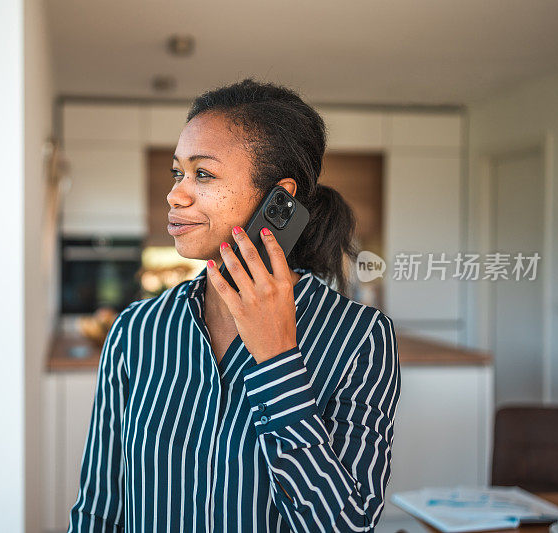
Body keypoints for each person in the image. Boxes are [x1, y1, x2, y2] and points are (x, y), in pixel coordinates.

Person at [67, 78, 401, 532]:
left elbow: (346, 524)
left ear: (278, 199)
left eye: (202, 174)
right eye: (177, 173)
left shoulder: (359, 336)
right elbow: (99, 511)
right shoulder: (136, 331)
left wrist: (277, 360)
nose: (175, 194)